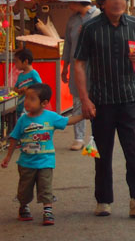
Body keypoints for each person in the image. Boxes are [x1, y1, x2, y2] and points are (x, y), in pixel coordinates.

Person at [73, 0, 135, 218]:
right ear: (102, 2)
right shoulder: (91, 28)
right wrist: (85, 100)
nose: (119, 2)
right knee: (102, 152)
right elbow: (79, 65)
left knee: (133, 151)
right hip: (101, 101)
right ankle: (103, 200)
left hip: (129, 98)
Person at [1, 83, 84, 225]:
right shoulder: (23, 120)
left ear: (44, 103)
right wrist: (8, 157)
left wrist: (84, 115)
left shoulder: (51, 117)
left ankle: (48, 210)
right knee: (24, 189)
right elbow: (14, 138)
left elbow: (68, 121)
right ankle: (23, 206)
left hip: (46, 161)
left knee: (45, 187)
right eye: (26, 98)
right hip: (26, 163)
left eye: (32, 99)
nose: (27, 102)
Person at [33, 0, 100, 150]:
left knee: (97, 100)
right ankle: (79, 138)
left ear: (78, 1)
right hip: (77, 68)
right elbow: (69, 45)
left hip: (96, 68)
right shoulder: (72, 20)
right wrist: (65, 67)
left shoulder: (98, 16)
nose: (68, 5)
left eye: (70, 1)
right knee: (78, 101)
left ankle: (97, 136)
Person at [12, 48, 41, 115]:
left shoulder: (33, 73)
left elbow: (40, 87)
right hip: (20, 106)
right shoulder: (20, 75)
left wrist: (28, 89)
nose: (15, 64)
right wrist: (19, 90)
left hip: (30, 107)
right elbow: (15, 88)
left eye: (16, 61)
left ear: (25, 61)